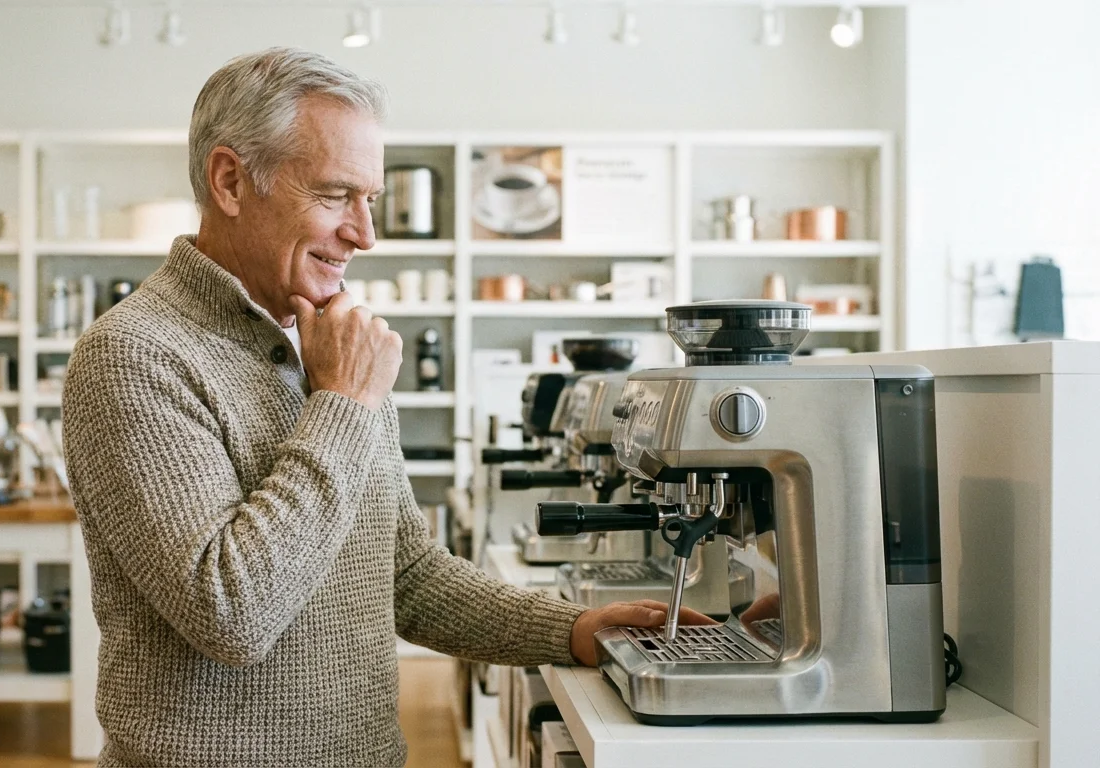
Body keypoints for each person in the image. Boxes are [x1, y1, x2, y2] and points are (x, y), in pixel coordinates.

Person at [62, 46, 712, 767]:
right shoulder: (134, 354)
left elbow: (404, 571)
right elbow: (232, 613)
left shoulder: (330, 341)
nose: (365, 234)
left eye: (369, 200)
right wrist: (341, 403)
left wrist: (572, 630)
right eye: (337, 195)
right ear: (230, 181)